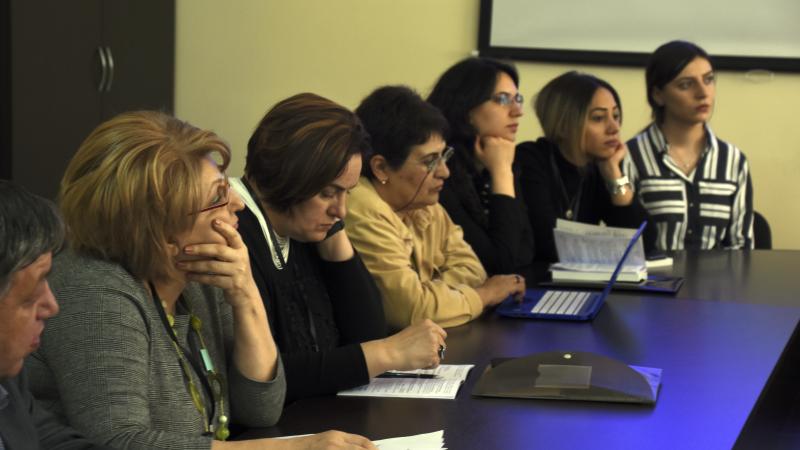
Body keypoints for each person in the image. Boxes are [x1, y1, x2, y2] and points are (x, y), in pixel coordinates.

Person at [25, 112, 376, 449]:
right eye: (218, 196)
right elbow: (120, 442)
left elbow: (261, 409)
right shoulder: (94, 291)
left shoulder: (199, 274)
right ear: (160, 229)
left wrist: (247, 296)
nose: (238, 203)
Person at [234, 93, 447, 404]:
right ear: (287, 178)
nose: (341, 210)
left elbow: (366, 333)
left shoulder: (304, 229)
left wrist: (335, 239)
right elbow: (268, 378)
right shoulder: (235, 236)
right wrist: (389, 353)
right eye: (328, 193)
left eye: (347, 192)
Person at [346, 86, 526, 330]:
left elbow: (474, 270)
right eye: (430, 161)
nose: (444, 172)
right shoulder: (362, 207)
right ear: (381, 168)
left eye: (444, 156)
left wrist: (428, 293)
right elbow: (412, 311)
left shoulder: (423, 204)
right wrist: (485, 295)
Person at [0, 180, 109, 449]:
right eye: (32, 292)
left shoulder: (8, 378)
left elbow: (54, 441)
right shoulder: (98, 291)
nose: (51, 306)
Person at [623, 40, 753, 251]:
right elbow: (624, 237)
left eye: (708, 80)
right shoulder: (631, 156)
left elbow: (742, 246)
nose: (703, 92)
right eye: (686, 84)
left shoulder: (733, 160)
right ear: (658, 95)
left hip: (720, 274)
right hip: (654, 273)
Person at [515, 71, 647, 263]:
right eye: (598, 118)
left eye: (616, 115)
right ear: (563, 125)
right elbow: (549, 244)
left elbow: (644, 243)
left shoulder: (600, 167)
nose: (614, 128)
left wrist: (616, 178)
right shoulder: (530, 160)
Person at [427, 57, 534, 274]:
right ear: (466, 109)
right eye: (502, 99)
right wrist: (502, 173)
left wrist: (502, 169)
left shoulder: (498, 159)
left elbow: (525, 252)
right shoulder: (439, 170)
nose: (517, 111)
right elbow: (499, 264)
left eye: (517, 99)